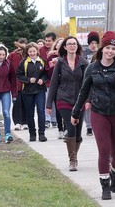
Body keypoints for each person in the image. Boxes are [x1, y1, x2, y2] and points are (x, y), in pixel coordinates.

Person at [71, 31, 115, 200]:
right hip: (99, 113)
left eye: (113, 48)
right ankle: (105, 186)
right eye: (107, 48)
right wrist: (76, 112)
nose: (110, 51)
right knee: (104, 150)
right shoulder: (92, 67)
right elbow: (84, 91)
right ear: (102, 49)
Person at [47, 36, 88, 171]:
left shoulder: (83, 63)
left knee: (78, 133)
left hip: (79, 101)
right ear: (64, 47)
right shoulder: (60, 62)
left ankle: (74, 155)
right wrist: (48, 104)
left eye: (74, 44)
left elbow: (88, 84)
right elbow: (53, 83)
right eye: (69, 44)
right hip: (63, 99)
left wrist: (88, 100)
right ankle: (72, 160)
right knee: (70, 128)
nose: (72, 46)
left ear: (77, 46)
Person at [16, 42, 49, 142]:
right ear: (27, 52)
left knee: (41, 111)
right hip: (27, 91)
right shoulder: (23, 63)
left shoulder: (42, 61)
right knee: (30, 113)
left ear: (37, 51)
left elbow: (47, 74)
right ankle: (32, 134)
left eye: (34, 51)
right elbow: (19, 75)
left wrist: (42, 80)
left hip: (40, 90)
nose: (32, 53)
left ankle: (42, 134)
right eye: (30, 51)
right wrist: (28, 80)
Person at [45, 38, 65, 139]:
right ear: (56, 45)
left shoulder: (67, 56)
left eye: (63, 44)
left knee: (66, 107)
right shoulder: (51, 57)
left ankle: (66, 128)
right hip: (54, 85)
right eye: (59, 43)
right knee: (58, 108)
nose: (60, 45)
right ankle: (60, 129)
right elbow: (47, 70)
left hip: (66, 85)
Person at [8, 38, 28, 131]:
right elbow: (8, 67)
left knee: (26, 104)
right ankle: (17, 122)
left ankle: (25, 122)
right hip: (16, 84)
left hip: (27, 84)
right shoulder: (12, 55)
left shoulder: (28, 55)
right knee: (17, 104)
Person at [82, 31, 100, 136]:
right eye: (92, 43)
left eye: (95, 43)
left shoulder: (101, 52)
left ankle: (96, 125)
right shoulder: (84, 53)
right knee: (87, 103)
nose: (93, 45)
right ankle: (89, 126)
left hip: (98, 80)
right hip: (87, 80)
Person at [39, 32, 57, 128]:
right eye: (46, 40)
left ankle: (54, 119)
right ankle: (47, 119)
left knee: (54, 100)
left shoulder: (56, 50)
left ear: (53, 41)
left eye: (49, 41)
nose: (47, 42)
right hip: (45, 77)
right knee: (47, 99)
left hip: (55, 78)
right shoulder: (41, 50)